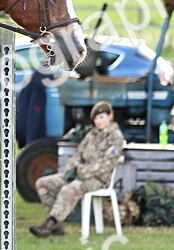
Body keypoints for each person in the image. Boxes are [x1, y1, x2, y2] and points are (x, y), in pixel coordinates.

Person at [29, 101, 125, 238]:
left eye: (102, 117)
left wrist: (84, 172)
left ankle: (49, 224)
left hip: (98, 179)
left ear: (110, 116)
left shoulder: (115, 137)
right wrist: (70, 170)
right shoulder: (91, 135)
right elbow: (78, 154)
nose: (98, 121)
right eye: (96, 118)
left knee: (70, 189)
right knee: (44, 184)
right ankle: (57, 225)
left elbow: (107, 163)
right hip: (79, 174)